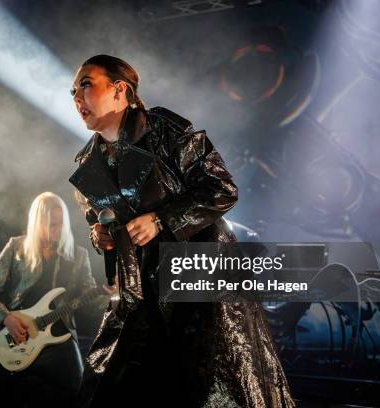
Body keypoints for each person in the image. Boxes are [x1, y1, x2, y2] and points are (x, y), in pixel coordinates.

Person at [69, 55, 295, 408]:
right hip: (137, 294)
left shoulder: (163, 131)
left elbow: (221, 189)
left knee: (206, 386)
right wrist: (102, 237)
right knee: (111, 383)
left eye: (85, 84)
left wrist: (161, 219)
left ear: (120, 90)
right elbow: (98, 221)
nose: (76, 97)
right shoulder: (87, 164)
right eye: (72, 91)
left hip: (196, 283)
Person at [0, 192, 100, 407]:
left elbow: (90, 298)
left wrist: (109, 293)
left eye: (61, 224)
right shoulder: (16, 247)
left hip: (59, 339)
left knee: (79, 395)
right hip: (17, 334)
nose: (58, 229)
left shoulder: (78, 255)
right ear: (38, 222)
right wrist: (6, 318)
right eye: (52, 224)